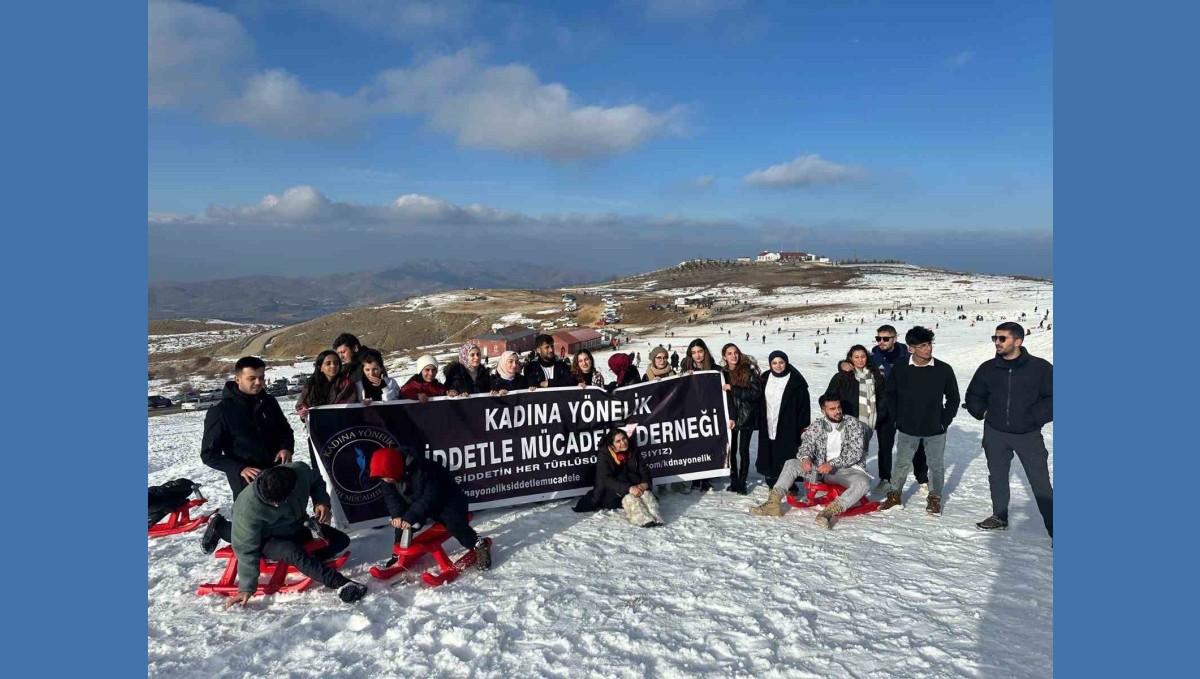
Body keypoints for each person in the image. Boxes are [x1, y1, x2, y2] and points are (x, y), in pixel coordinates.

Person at [200, 463, 366, 607]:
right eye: (274, 503)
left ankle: (221, 525)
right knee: (291, 551)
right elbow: (245, 549)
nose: (278, 505)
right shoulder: (246, 509)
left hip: (294, 525)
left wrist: (321, 502)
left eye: (281, 501)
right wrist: (246, 588)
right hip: (266, 537)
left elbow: (316, 481)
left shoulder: (299, 472)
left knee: (340, 541)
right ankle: (340, 584)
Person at [965, 323, 1054, 538]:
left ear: (1018, 341)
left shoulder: (1040, 368)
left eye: (1002, 338)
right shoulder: (988, 368)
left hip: (1028, 434)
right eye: (995, 337)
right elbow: (974, 395)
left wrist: (1033, 418)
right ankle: (1000, 516)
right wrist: (984, 413)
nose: (997, 342)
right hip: (995, 433)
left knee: (1040, 482)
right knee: (997, 477)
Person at [750, 394, 872, 529]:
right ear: (823, 410)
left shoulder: (853, 424)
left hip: (844, 470)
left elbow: (855, 453)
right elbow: (806, 445)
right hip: (819, 469)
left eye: (838, 407)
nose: (837, 411)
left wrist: (831, 464)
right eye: (832, 409)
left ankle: (829, 512)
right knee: (791, 463)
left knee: (863, 482)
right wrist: (805, 458)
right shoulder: (817, 425)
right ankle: (773, 503)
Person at [878, 327, 960, 514]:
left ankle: (935, 498)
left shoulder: (944, 369)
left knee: (936, 466)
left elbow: (953, 398)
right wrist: (897, 418)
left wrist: (944, 421)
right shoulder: (900, 368)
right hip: (907, 428)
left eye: (929, 344)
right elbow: (890, 394)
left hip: (935, 430)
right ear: (911, 348)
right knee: (901, 464)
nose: (928, 349)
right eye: (923, 345)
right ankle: (894, 496)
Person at [369, 447, 491, 571]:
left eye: (386, 476)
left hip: (447, 501)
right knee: (401, 523)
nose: (385, 480)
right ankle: (399, 555)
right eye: (383, 478)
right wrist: (397, 516)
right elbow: (392, 499)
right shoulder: (388, 477)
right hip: (419, 504)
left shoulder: (424, 470)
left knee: (455, 524)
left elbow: (430, 496)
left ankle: (478, 544)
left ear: (395, 467)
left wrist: (411, 515)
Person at [201, 356, 295, 499]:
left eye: (261, 378)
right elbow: (209, 455)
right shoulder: (221, 411)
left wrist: (286, 447)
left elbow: (285, 431)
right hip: (248, 485)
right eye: (252, 378)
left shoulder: (269, 402)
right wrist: (240, 469)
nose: (258, 383)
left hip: (279, 475)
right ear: (238, 379)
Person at [870, 325, 929, 494]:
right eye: (878, 338)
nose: (882, 342)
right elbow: (854, 363)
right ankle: (885, 478)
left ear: (895, 338)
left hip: (907, 408)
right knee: (885, 446)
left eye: (886, 338)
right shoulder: (873, 357)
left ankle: (922, 478)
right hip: (885, 408)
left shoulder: (909, 354)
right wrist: (842, 364)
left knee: (916, 444)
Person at [572, 425, 664, 527]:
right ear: (612, 445)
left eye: (624, 438)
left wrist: (645, 484)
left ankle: (655, 516)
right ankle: (641, 518)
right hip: (612, 492)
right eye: (618, 441)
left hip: (633, 484)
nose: (623, 442)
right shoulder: (604, 455)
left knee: (646, 494)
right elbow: (606, 479)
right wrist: (629, 488)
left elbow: (644, 470)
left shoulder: (634, 449)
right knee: (630, 498)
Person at [755, 350, 811, 490]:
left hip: (789, 423)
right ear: (770, 364)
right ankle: (772, 479)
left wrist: (803, 425)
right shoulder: (765, 377)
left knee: (787, 452)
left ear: (786, 362)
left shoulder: (796, 380)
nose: (778, 366)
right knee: (770, 450)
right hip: (768, 420)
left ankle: (789, 482)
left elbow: (804, 405)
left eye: (781, 362)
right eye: (774, 363)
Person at [295, 350, 356, 471]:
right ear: (320, 367)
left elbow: (350, 406)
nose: (333, 366)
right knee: (321, 470)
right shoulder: (311, 385)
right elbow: (302, 404)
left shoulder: (347, 384)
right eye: (328, 363)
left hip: (341, 434)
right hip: (317, 434)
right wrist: (303, 413)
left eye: (336, 363)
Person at [826, 345, 885, 456]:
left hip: (867, 422)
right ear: (850, 358)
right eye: (856, 357)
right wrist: (836, 416)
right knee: (841, 453)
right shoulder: (841, 377)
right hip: (845, 421)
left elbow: (882, 398)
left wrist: (879, 415)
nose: (860, 360)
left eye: (863, 356)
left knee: (860, 453)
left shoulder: (875, 376)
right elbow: (829, 398)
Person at [721, 343, 762, 495]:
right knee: (731, 450)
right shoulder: (722, 373)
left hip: (746, 416)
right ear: (725, 356)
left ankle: (742, 481)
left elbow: (756, 393)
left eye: (735, 352)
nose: (733, 356)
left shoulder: (748, 371)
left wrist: (734, 389)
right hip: (729, 416)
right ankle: (733, 480)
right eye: (730, 353)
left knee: (743, 450)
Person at [680, 339, 719, 491]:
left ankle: (706, 478)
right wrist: (684, 378)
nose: (697, 355)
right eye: (693, 352)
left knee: (708, 445)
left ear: (705, 352)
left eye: (700, 351)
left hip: (710, 412)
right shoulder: (686, 367)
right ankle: (695, 478)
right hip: (692, 411)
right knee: (695, 446)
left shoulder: (715, 369)